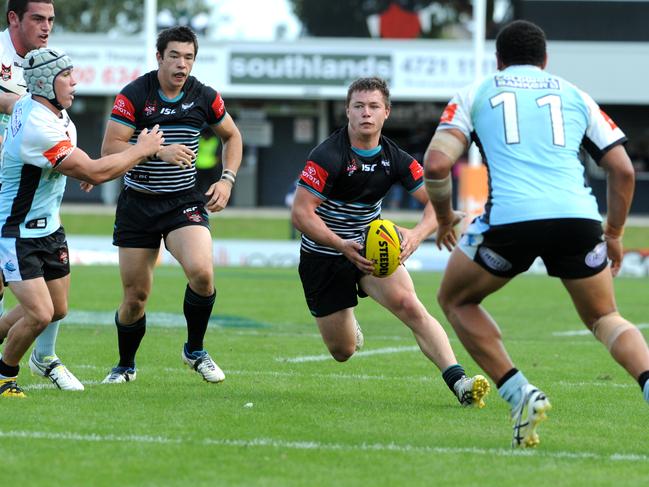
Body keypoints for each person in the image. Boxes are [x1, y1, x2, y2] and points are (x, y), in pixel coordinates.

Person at [423, 20, 649, 448]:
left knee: (455, 299)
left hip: (512, 221)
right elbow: (620, 168)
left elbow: (436, 165)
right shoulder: (574, 93)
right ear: (546, 61)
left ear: (498, 60)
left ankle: (520, 393)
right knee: (605, 317)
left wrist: (444, 215)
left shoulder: (476, 92)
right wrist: (614, 232)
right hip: (577, 218)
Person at [291, 77, 490, 408]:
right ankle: (349, 323)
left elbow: (436, 203)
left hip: (371, 248)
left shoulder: (396, 158)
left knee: (411, 306)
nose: (365, 113)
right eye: (358, 106)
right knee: (343, 351)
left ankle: (460, 383)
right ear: (347, 112)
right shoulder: (327, 155)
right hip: (325, 255)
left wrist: (415, 235)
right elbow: (301, 214)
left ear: (386, 112)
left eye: (373, 107)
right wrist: (341, 245)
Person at [0, 47, 164, 398]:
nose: (75, 82)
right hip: (15, 232)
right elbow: (93, 169)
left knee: (57, 309)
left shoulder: (49, 112)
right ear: (46, 82)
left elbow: (76, 163)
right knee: (41, 313)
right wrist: (140, 148)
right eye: (67, 76)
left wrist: (82, 169)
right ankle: (4, 376)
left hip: (50, 229)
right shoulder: (37, 125)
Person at [100, 26, 242, 385]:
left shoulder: (204, 96)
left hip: (183, 202)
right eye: (175, 56)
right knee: (135, 297)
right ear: (159, 57)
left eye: (189, 57)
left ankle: (194, 350)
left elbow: (232, 136)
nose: (182, 64)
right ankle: (125, 365)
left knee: (203, 273)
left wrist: (227, 179)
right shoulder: (135, 95)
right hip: (138, 204)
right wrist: (154, 149)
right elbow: (110, 149)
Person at [0, 0, 86, 391]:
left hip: (25, 183)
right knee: (22, 292)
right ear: (13, 18)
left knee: (51, 297)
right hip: (10, 188)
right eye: (38, 18)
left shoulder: (47, 68)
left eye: (51, 19)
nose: (47, 26)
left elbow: (54, 118)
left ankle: (44, 356)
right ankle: (9, 370)